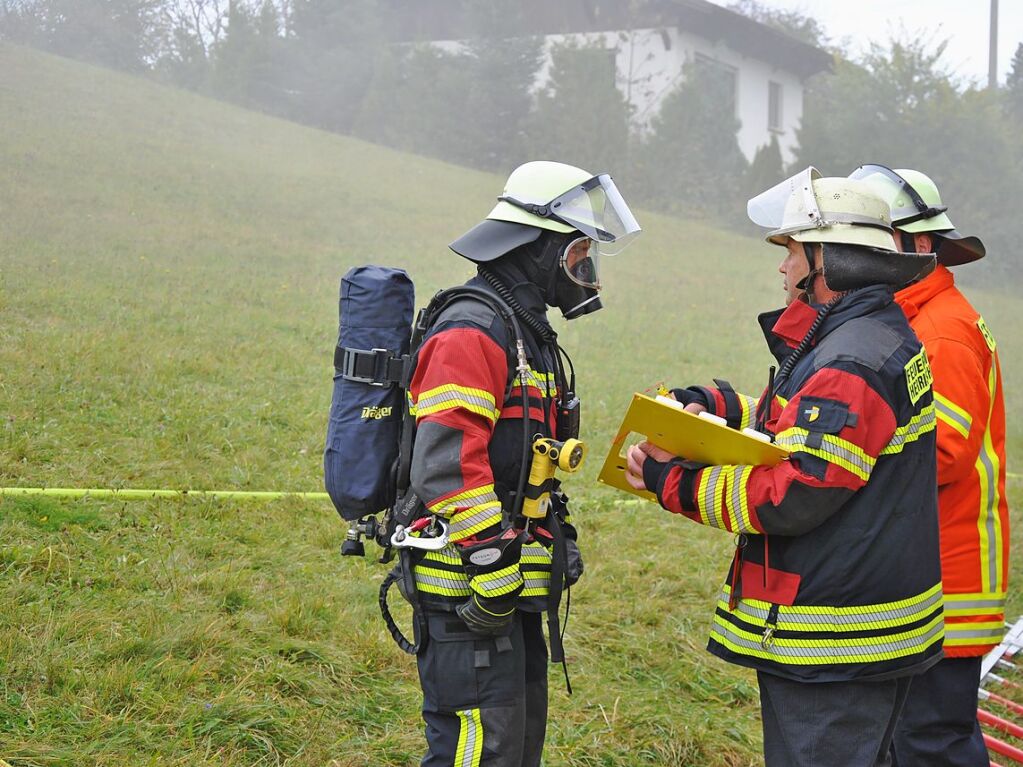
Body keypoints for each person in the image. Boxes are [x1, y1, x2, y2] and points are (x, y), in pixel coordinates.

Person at [624, 168, 942, 766]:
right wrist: (718, 406)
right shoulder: (866, 337)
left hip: (838, 641)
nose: (782, 267)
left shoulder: (853, 359)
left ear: (831, 261)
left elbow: (795, 491)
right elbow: (805, 426)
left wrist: (676, 482)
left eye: (793, 250)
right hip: (862, 627)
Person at [405, 160, 640, 766]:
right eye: (580, 251)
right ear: (540, 249)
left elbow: (521, 461)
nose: (585, 269)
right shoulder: (473, 329)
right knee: (479, 752)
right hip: (466, 592)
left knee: (512, 750)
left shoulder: (523, 332)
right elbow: (446, 465)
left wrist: (551, 537)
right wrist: (489, 558)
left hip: (504, 595)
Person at [854, 164, 1009, 766]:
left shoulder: (941, 333)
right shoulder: (920, 319)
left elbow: (941, 454)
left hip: (949, 581)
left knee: (930, 743)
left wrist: (842, 458)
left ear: (920, 247)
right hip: (930, 569)